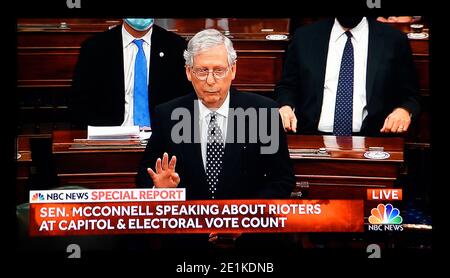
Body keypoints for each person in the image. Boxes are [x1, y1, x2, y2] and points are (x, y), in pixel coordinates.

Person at [136, 28, 295, 248]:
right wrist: (159, 192)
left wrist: (246, 219)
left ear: (233, 70)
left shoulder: (264, 113)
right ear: (188, 72)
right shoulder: (168, 114)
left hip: (250, 241)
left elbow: (281, 180)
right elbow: (145, 177)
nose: (210, 80)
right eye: (202, 71)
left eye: (219, 70)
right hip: (187, 241)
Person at [276, 16, 420, 136]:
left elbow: (411, 96)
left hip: (373, 138)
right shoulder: (305, 37)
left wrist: (403, 111)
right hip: (312, 137)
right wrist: (286, 106)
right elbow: (287, 86)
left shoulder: (393, 40)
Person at [70, 18, 192, 128]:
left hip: (160, 137)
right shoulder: (95, 47)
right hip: (110, 136)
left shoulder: (176, 47)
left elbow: (186, 101)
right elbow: (79, 104)